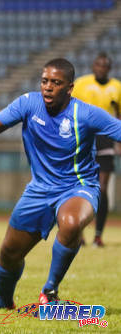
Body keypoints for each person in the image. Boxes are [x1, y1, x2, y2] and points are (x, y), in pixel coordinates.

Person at [0, 58, 121, 309]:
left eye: (56, 83)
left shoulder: (85, 113)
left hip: (78, 187)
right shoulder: (28, 103)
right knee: (9, 253)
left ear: (69, 88)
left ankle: (49, 292)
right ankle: (2, 301)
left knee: (70, 225)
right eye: (44, 81)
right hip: (39, 190)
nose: (48, 87)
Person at [72, 52, 121, 247]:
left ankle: (98, 235)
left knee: (101, 188)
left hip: (106, 139)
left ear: (109, 68)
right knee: (80, 187)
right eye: (98, 65)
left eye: (105, 66)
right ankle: (79, 233)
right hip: (84, 137)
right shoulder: (81, 84)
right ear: (93, 67)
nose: (101, 68)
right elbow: (70, 109)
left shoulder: (117, 87)